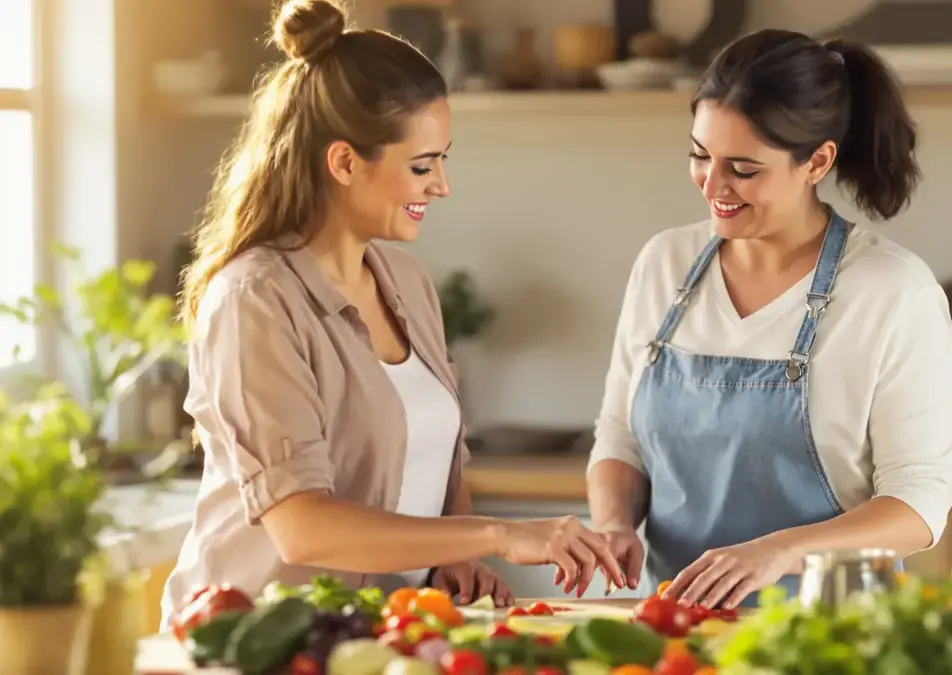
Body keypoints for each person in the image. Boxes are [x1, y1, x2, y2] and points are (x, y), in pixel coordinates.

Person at [162, 0, 624, 625]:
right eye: (422, 165)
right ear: (345, 162)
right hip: (257, 638)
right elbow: (302, 528)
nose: (442, 185)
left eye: (443, 160)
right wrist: (496, 534)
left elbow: (437, 466)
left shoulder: (406, 281)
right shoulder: (254, 300)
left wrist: (452, 554)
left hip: (379, 636)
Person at [586, 29, 952, 610]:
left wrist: (781, 552)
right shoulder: (664, 263)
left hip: (834, 632)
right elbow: (621, 437)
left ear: (817, 162)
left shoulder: (892, 291)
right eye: (700, 155)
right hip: (675, 627)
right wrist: (613, 524)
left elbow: (919, 502)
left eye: (743, 168)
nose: (712, 186)